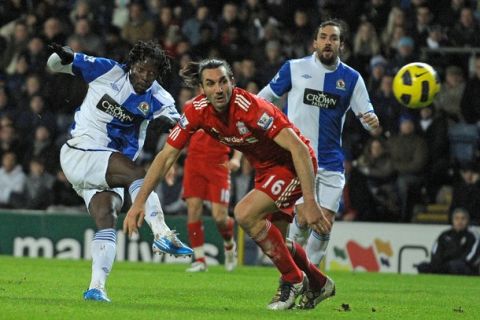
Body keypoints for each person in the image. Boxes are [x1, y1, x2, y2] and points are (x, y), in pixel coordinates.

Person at [124, 59, 335, 310]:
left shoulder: (251, 107)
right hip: (266, 169)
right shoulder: (196, 111)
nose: (218, 89)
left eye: (223, 81)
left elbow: (298, 149)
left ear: (232, 82)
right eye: (211, 84)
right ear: (202, 89)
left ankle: (293, 280)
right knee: (278, 241)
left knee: (244, 213)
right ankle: (320, 283)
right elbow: (165, 157)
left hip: (293, 164)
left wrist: (309, 202)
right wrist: (138, 203)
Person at [46, 40, 193, 303]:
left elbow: (178, 128)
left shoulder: (159, 97)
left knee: (107, 216)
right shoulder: (106, 71)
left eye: (152, 73)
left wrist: (174, 133)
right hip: (80, 152)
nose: (145, 77)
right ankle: (161, 232)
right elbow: (53, 65)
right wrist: (63, 58)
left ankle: (96, 288)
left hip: (107, 169)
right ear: (131, 64)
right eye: (141, 69)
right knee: (138, 175)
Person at [258, 19, 379, 265]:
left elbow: (367, 117)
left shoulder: (352, 79)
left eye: (333, 38)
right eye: (323, 37)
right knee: (303, 218)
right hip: (297, 160)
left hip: (331, 161)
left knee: (324, 223)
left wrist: (372, 121)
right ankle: (293, 274)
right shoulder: (294, 68)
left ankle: (310, 278)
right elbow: (264, 98)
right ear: (315, 42)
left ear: (341, 45)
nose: (328, 42)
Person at [184, 130, 242, 272]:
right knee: (193, 209)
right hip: (194, 161)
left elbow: (240, 132)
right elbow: (182, 134)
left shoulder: (225, 107)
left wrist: (236, 158)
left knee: (220, 218)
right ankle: (200, 260)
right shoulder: (190, 107)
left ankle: (229, 245)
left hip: (219, 163)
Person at [416, 208, 479, 275]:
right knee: (423, 266)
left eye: (463, 219)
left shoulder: (472, 235)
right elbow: (435, 252)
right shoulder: (445, 235)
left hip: (465, 267)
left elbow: (471, 256)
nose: (460, 221)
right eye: (457, 218)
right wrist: (437, 264)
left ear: (467, 221)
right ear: (452, 220)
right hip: (445, 265)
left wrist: (457, 263)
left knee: (455, 266)